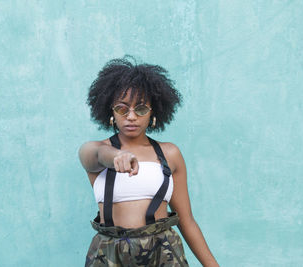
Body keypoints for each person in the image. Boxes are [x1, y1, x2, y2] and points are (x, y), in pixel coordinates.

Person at [78, 55, 219, 266]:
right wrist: (117, 156)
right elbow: (99, 155)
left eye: (141, 108)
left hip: (164, 253)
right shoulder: (95, 150)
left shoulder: (169, 154)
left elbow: (186, 221)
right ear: (111, 111)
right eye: (122, 108)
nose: (131, 116)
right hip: (109, 255)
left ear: (153, 113)